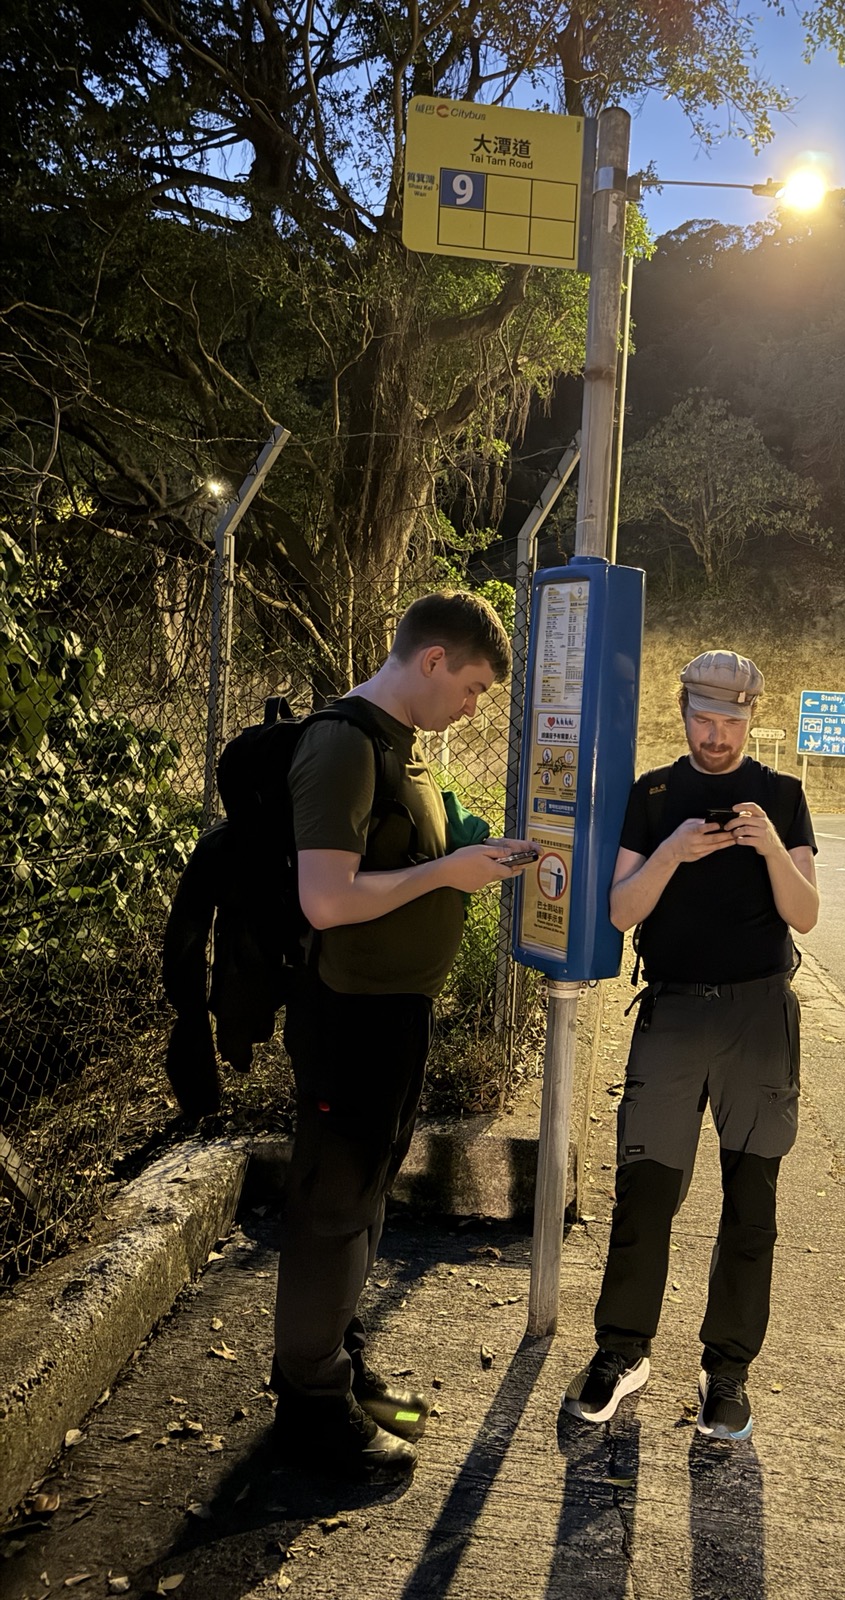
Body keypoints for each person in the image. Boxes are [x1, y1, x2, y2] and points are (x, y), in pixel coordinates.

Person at [271, 590, 538, 1478]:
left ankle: (340, 1371)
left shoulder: (400, 749)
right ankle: (311, 1410)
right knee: (332, 1209)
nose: (472, 707)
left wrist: (466, 858)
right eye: (470, 689)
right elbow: (326, 898)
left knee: (368, 1201)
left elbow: (412, 865)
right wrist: (445, 875)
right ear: (431, 661)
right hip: (346, 1017)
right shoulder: (344, 746)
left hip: (392, 1014)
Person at [562, 649, 819, 1441]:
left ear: (751, 719)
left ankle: (728, 1372)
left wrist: (770, 846)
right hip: (671, 1015)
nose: (717, 735)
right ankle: (622, 1351)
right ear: (682, 715)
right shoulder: (655, 794)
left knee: (752, 1203)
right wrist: (674, 849)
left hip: (759, 1018)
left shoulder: (782, 795)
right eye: (704, 720)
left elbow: (805, 915)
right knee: (646, 1193)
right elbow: (619, 912)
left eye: (732, 721)